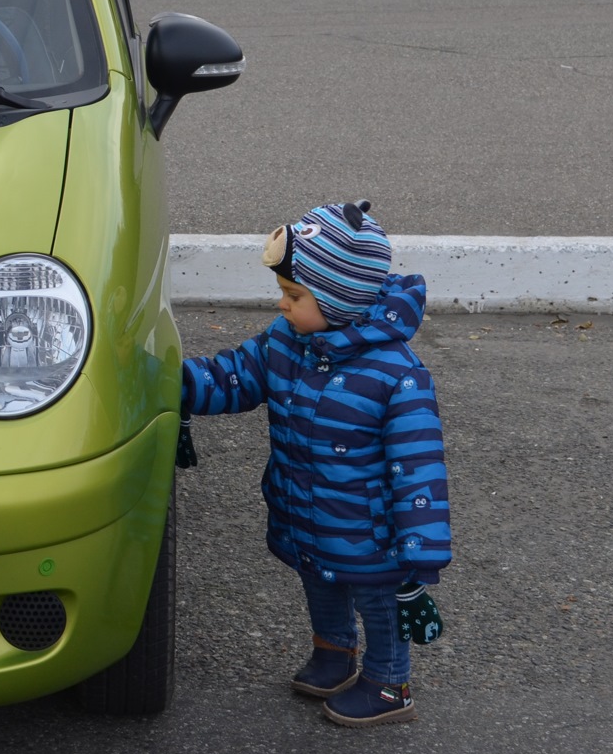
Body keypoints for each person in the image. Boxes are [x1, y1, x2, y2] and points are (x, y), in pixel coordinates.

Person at [180, 201, 452, 727]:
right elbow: (236, 375)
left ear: (339, 299)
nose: (282, 306)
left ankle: (390, 684)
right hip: (307, 510)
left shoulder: (397, 376)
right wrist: (181, 383)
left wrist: (419, 556)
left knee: (378, 602)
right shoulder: (288, 342)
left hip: (371, 531)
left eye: (294, 295)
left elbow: (419, 467)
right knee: (320, 582)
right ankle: (335, 654)